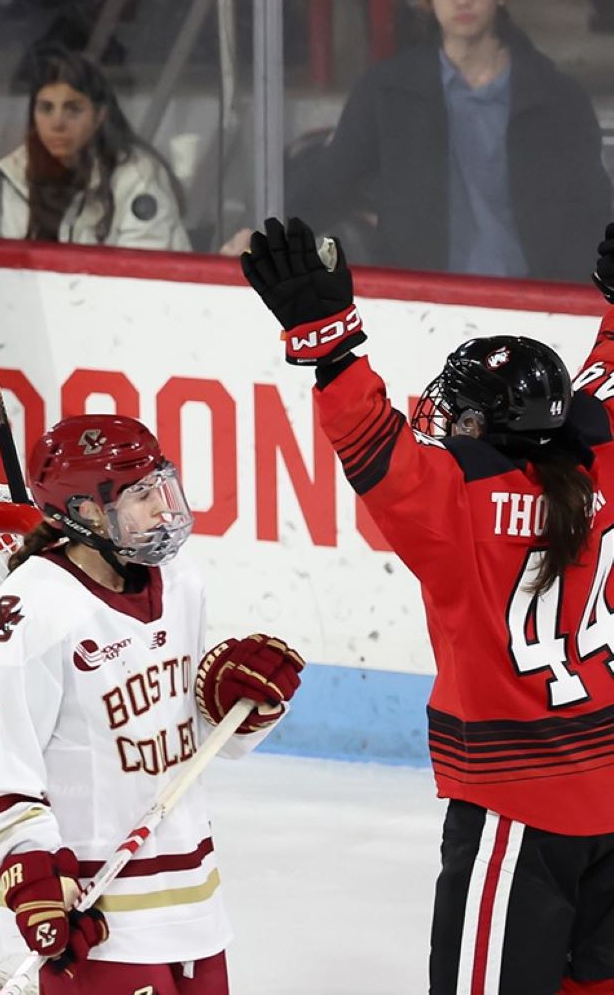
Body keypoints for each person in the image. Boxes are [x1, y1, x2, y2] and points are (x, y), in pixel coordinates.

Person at [239, 215, 614, 994]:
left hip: (518, 814)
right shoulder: (605, 457)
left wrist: (328, 341)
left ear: (482, 429)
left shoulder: (458, 508)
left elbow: (371, 442)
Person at [0, 414, 304, 993]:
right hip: (95, 912)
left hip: (195, 908)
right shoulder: (29, 612)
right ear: (88, 513)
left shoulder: (181, 579)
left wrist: (236, 710)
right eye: (142, 497)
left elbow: (188, 736)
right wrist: (29, 874)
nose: (165, 511)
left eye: (162, 487)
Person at [251, 0, 612, 278]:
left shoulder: (556, 98)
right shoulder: (388, 92)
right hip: (425, 308)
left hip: (538, 310)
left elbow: (593, 212)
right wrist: (266, 238)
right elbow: (330, 184)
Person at [0, 46, 189, 252]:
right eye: (46, 108)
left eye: (73, 109)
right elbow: (17, 265)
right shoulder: (19, 171)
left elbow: (141, 273)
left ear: (100, 116)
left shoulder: (138, 176)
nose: (57, 124)